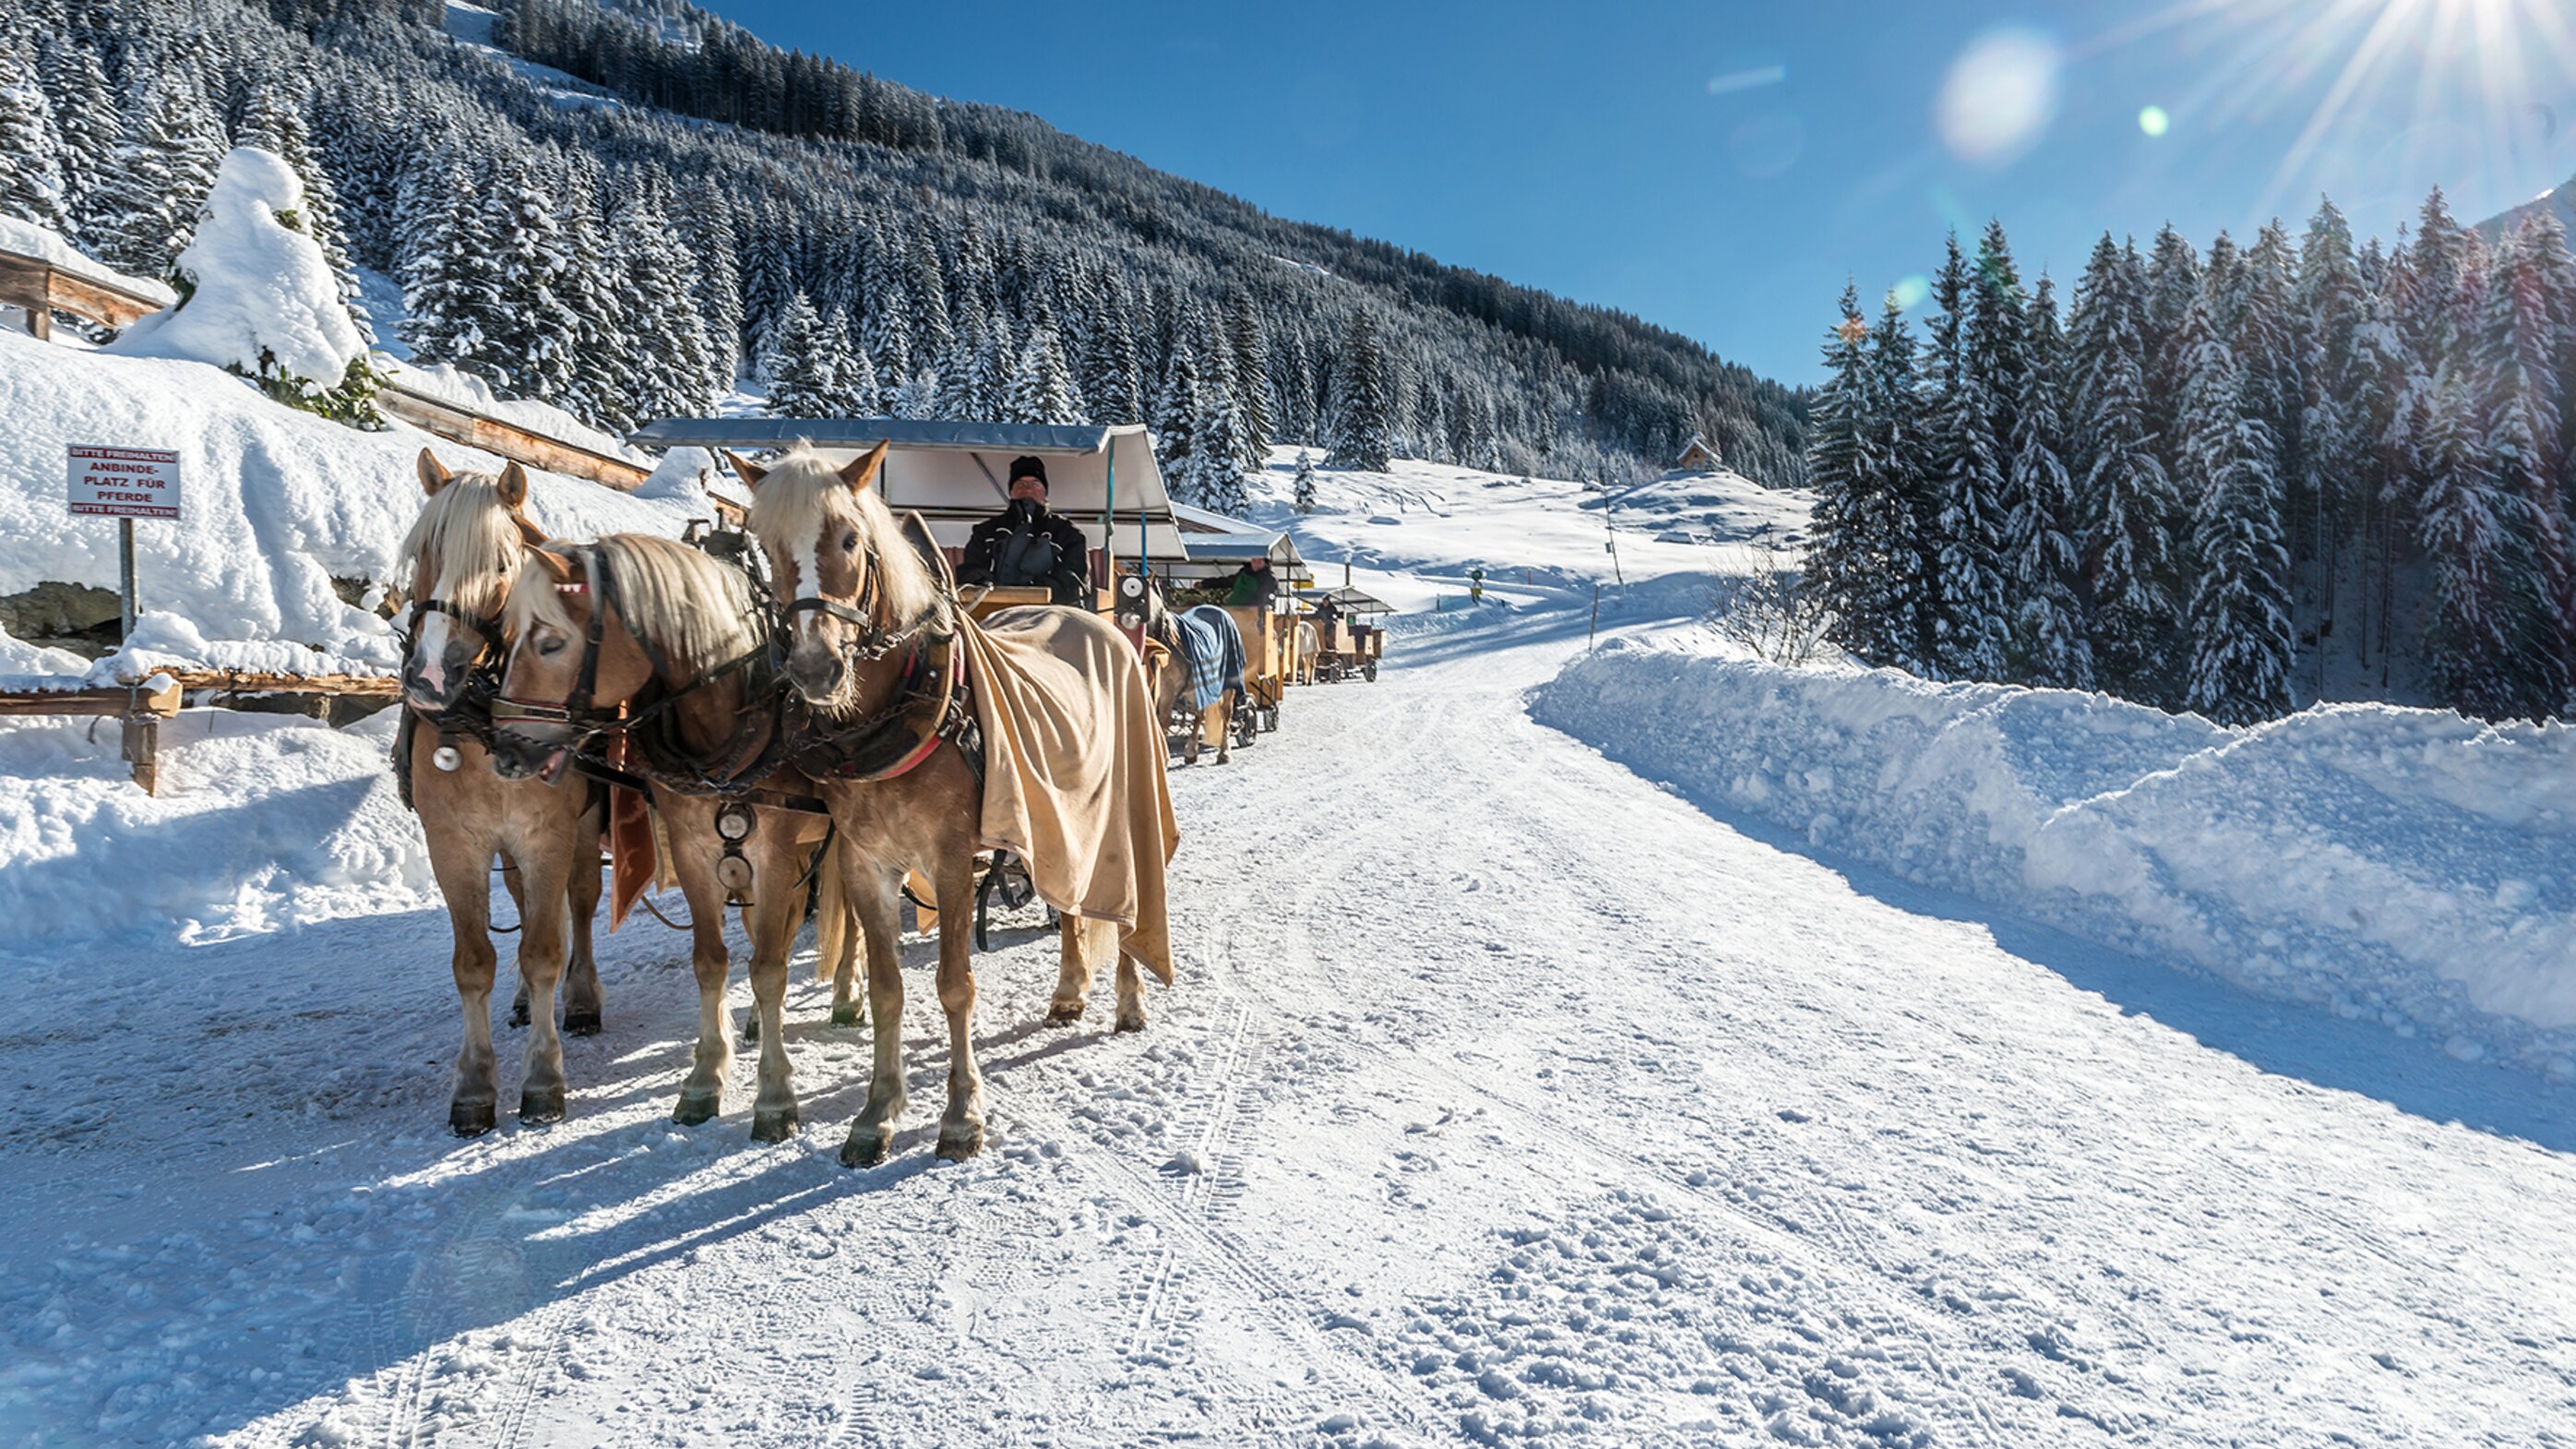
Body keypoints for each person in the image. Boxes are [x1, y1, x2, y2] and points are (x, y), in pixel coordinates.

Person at [959, 455, 1091, 606]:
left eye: (1035, 484)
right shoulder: (985, 531)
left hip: (1050, 613)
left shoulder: (1068, 533)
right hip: (990, 610)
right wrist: (988, 584)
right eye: (1020, 483)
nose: (1027, 489)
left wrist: (1034, 590)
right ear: (1012, 491)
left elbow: (1074, 580)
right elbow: (969, 571)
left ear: (1045, 491)